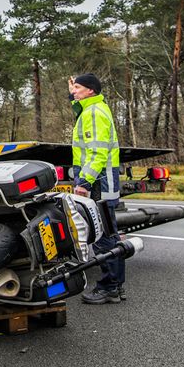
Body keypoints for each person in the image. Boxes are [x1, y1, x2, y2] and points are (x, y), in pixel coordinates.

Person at [67, 72, 124, 305]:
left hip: (98, 183)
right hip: (102, 182)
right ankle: (115, 286)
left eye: (78, 88)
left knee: (102, 238)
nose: (74, 91)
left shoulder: (93, 113)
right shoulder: (92, 109)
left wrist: (84, 182)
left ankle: (110, 287)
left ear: (90, 90)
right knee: (109, 235)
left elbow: (97, 152)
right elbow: (76, 105)